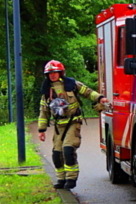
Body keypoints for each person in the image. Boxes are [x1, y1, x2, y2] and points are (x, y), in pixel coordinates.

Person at [37, 60, 109, 190]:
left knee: (68, 149)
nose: (52, 75)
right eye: (50, 73)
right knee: (56, 154)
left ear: (60, 72)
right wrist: (41, 130)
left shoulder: (71, 84)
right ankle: (61, 179)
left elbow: (87, 92)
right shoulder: (47, 91)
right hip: (59, 126)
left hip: (73, 122)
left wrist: (100, 98)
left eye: (55, 72)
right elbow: (44, 111)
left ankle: (71, 178)